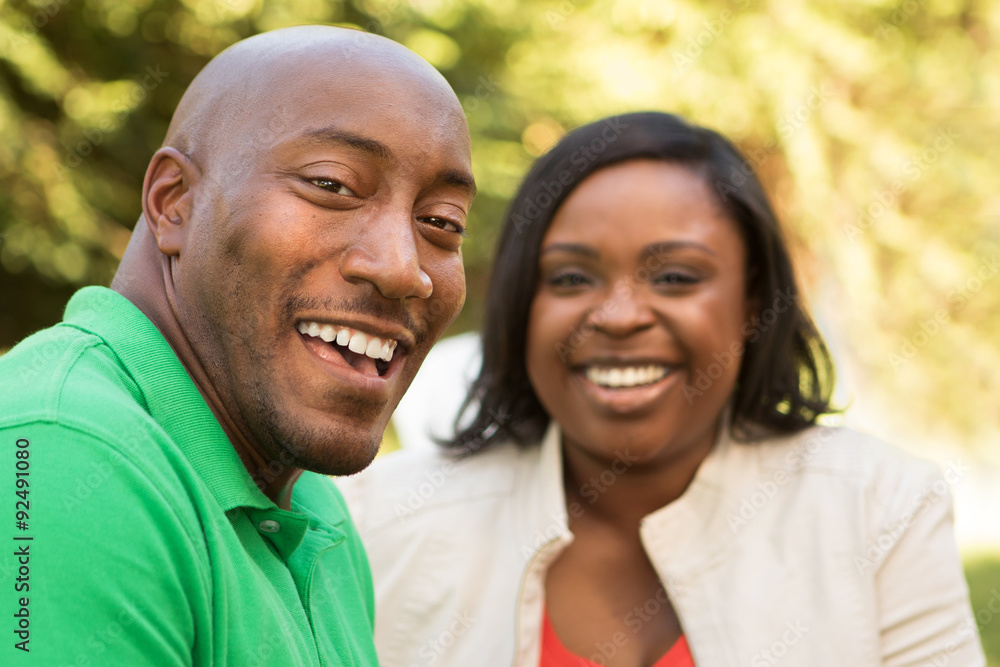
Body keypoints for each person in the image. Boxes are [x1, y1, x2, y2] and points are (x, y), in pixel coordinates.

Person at [337, 112, 984, 667]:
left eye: (675, 276)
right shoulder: (371, 524)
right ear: (521, 304)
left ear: (753, 297)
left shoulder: (882, 508)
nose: (619, 316)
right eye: (569, 278)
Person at [0, 25, 475, 665]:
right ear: (173, 204)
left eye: (442, 224)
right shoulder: (63, 452)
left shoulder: (313, 508)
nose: (402, 268)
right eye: (332, 185)